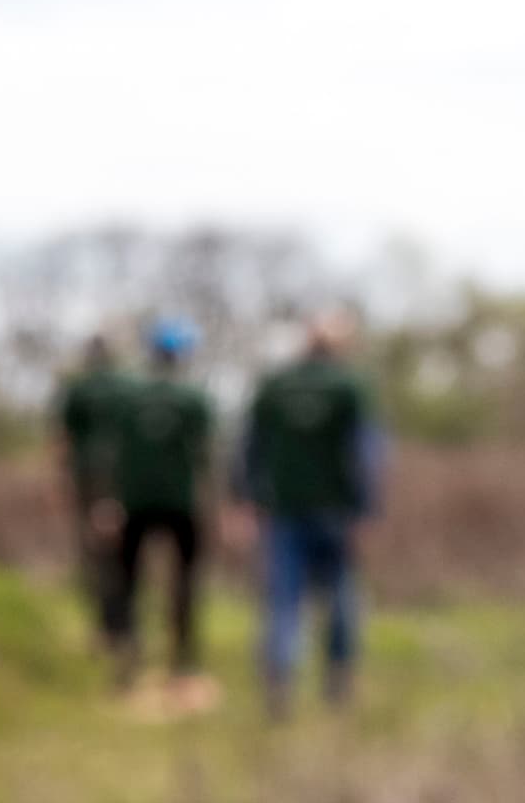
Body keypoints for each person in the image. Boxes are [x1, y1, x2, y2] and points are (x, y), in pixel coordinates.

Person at [239, 308, 382, 718]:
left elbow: (250, 447)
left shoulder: (276, 385)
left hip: (283, 510)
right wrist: (366, 508)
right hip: (335, 511)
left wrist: (245, 497)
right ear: (339, 345)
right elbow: (366, 453)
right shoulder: (350, 387)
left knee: (284, 598)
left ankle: (280, 680)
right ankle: (338, 681)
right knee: (339, 596)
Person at [99, 317, 216, 709]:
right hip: (181, 505)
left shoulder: (127, 399)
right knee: (184, 584)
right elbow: (205, 455)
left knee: (128, 583)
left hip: (133, 504)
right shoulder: (194, 399)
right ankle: (183, 664)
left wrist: (108, 500)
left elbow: (111, 455)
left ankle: (128, 662)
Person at [52, 331, 131, 631]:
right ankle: (121, 617)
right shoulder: (128, 387)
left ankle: (106, 619)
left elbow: (63, 439)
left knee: (94, 549)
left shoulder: (78, 390)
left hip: (88, 478)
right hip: (122, 479)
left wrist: (61, 481)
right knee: (121, 548)